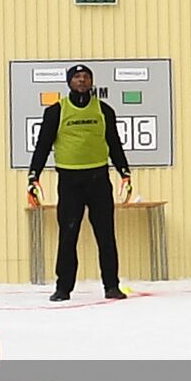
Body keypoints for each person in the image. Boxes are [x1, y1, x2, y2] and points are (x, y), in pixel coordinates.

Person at [26, 64, 131, 301]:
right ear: (69, 82)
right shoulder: (56, 111)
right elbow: (42, 145)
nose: (82, 80)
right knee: (68, 235)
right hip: (70, 181)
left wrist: (125, 173)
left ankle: (112, 286)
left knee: (105, 235)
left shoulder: (104, 110)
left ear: (92, 82)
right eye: (77, 77)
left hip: (99, 180)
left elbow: (114, 144)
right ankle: (63, 288)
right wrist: (34, 176)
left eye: (86, 77)